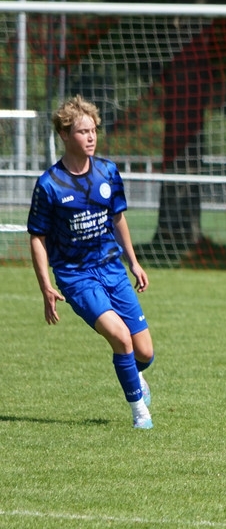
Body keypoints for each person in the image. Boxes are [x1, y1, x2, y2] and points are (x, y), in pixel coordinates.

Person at [27, 95, 156, 428]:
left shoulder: (108, 172)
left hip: (112, 268)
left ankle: (135, 377)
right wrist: (46, 286)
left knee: (144, 352)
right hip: (76, 276)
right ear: (65, 135)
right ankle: (140, 412)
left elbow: (118, 218)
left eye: (94, 130)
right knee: (121, 338)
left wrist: (134, 262)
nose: (91, 137)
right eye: (83, 131)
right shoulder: (49, 185)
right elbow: (37, 237)